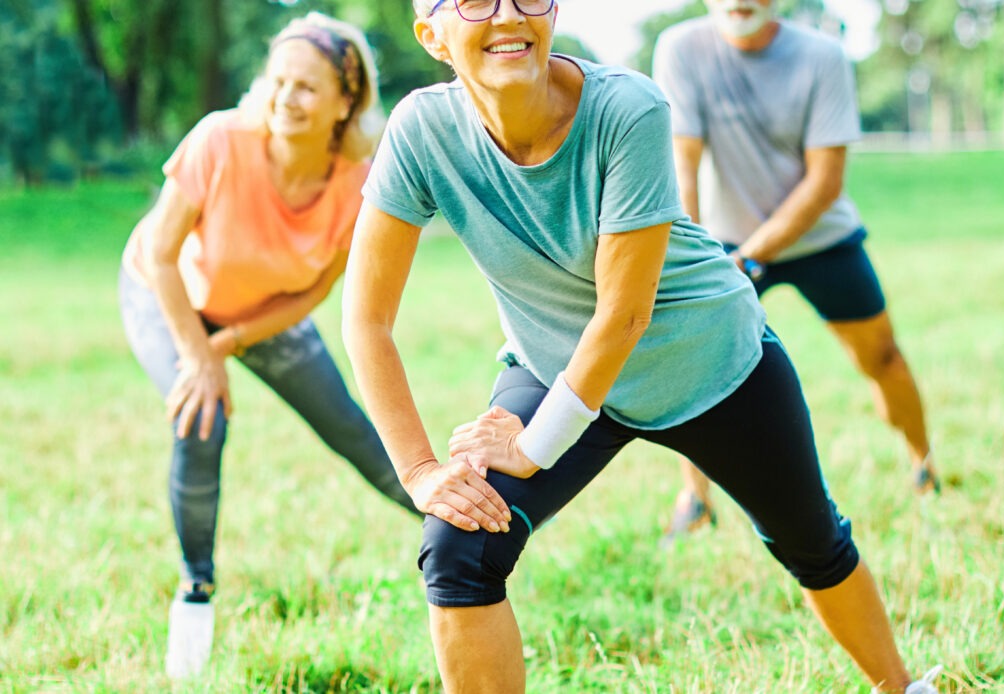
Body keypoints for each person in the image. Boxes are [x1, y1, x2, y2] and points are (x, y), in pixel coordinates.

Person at [341, 1, 941, 692]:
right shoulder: (420, 132)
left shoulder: (628, 109)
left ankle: (902, 686)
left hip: (709, 364)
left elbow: (624, 315)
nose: (507, 15)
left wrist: (535, 447)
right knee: (460, 548)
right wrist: (419, 471)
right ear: (432, 35)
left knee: (815, 546)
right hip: (555, 366)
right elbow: (366, 318)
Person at [117, 12, 422, 679]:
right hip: (164, 293)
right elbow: (163, 256)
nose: (286, 97)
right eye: (278, 80)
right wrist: (200, 357)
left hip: (261, 312)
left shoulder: (360, 185)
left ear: (347, 102)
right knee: (202, 419)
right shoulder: (219, 140)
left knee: (350, 427)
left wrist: (232, 341)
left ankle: (462, 533)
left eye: (307, 87)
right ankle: (195, 593)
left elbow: (314, 291)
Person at [652, 0, 942, 543]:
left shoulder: (823, 57)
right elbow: (681, 162)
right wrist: (693, 255)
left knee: (882, 356)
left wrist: (753, 253)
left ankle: (924, 467)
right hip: (723, 242)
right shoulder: (680, 48)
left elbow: (825, 182)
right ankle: (694, 500)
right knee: (694, 372)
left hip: (820, 238)